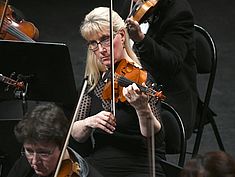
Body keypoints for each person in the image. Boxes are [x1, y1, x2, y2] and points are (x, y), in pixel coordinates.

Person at [71, 6, 166, 177]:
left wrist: (142, 108)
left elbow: (155, 139)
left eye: (106, 39)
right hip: (99, 165)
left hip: (139, 165)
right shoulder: (94, 80)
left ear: (122, 36)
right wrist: (89, 122)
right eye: (94, 43)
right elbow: (76, 134)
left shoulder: (142, 78)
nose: (101, 50)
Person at [125, 0, 198, 139]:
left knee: (123, 124)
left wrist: (141, 39)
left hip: (166, 97)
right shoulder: (135, 2)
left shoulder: (179, 12)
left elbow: (172, 62)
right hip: (133, 84)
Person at [7, 103, 103, 177]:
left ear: (62, 145)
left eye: (43, 153)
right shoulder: (25, 163)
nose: (35, 161)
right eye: (29, 151)